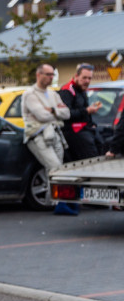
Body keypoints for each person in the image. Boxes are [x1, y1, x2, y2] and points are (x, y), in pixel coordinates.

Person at [22, 64, 73, 214]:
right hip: (38, 135)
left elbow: (67, 113)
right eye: (48, 74)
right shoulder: (30, 94)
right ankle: (60, 203)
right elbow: (41, 115)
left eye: (52, 74)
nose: (51, 77)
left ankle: (56, 201)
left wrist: (52, 110)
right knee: (54, 166)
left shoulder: (52, 94)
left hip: (55, 133)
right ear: (39, 75)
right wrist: (57, 112)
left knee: (58, 168)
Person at [58, 63, 103, 161]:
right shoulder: (67, 91)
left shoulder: (82, 89)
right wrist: (86, 111)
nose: (87, 81)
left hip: (86, 128)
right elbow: (66, 114)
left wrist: (92, 123)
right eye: (84, 78)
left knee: (102, 149)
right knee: (91, 159)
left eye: (89, 78)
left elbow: (84, 111)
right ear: (76, 76)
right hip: (73, 132)